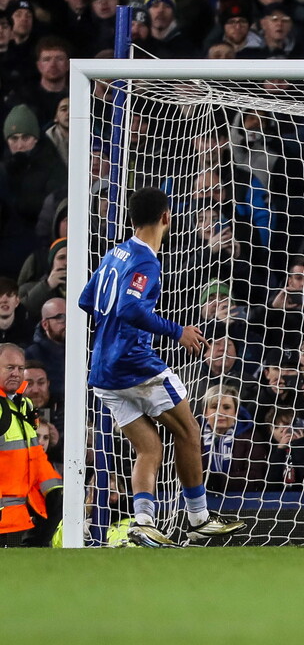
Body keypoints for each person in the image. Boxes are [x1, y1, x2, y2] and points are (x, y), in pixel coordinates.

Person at [78, 187, 245, 547]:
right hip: (134, 365)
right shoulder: (145, 261)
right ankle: (199, 519)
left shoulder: (114, 255)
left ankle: (142, 523)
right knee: (189, 432)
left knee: (150, 447)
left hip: (103, 372)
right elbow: (129, 309)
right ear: (166, 218)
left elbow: (86, 299)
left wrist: (112, 334)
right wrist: (177, 331)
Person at [0, 343, 62, 546]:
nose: (16, 373)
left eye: (19, 368)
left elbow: (34, 454)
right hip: (6, 507)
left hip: (21, 502)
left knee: (57, 500)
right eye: (9, 368)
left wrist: (52, 487)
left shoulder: (24, 404)